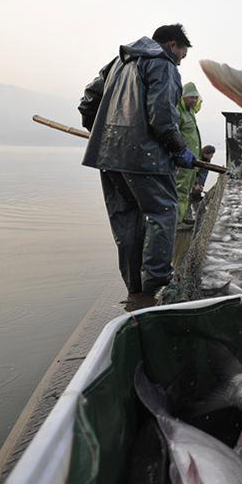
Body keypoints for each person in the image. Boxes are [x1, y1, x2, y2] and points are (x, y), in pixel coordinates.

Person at [77, 24, 197, 298]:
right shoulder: (163, 63)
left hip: (108, 157)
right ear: (172, 44)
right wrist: (179, 150)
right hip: (145, 158)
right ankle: (156, 284)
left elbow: (88, 101)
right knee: (163, 212)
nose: (181, 60)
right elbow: (162, 117)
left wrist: (101, 133)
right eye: (182, 54)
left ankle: (136, 288)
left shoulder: (118, 62)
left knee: (126, 220)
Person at [175, 82, 203, 225]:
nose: (194, 100)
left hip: (192, 161)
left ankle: (182, 216)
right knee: (180, 190)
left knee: (186, 191)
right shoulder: (178, 112)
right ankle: (176, 222)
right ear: (183, 97)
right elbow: (174, 134)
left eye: (195, 98)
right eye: (191, 97)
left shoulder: (190, 113)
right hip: (183, 160)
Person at [189, 145, 217, 222]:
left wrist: (200, 184)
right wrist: (194, 184)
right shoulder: (196, 158)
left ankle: (201, 217)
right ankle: (187, 219)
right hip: (188, 181)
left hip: (196, 183)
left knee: (196, 197)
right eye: (211, 154)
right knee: (187, 200)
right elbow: (190, 173)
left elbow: (203, 173)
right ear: (205, 153)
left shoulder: (207, 160)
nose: (212, 156)